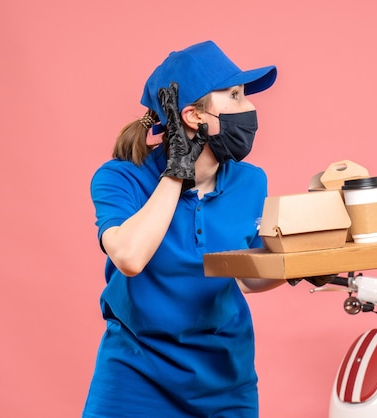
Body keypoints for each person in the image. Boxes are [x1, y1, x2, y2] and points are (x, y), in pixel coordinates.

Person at [83, 40, 284, 418]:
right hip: (137, 373)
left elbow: (248, 277)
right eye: (236, 96)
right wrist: (177, 174)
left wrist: (300, 269)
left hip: (225, 377)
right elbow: (128, 257)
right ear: (194, 116)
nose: (251, 108)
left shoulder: (251, 182)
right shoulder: (120, 178)